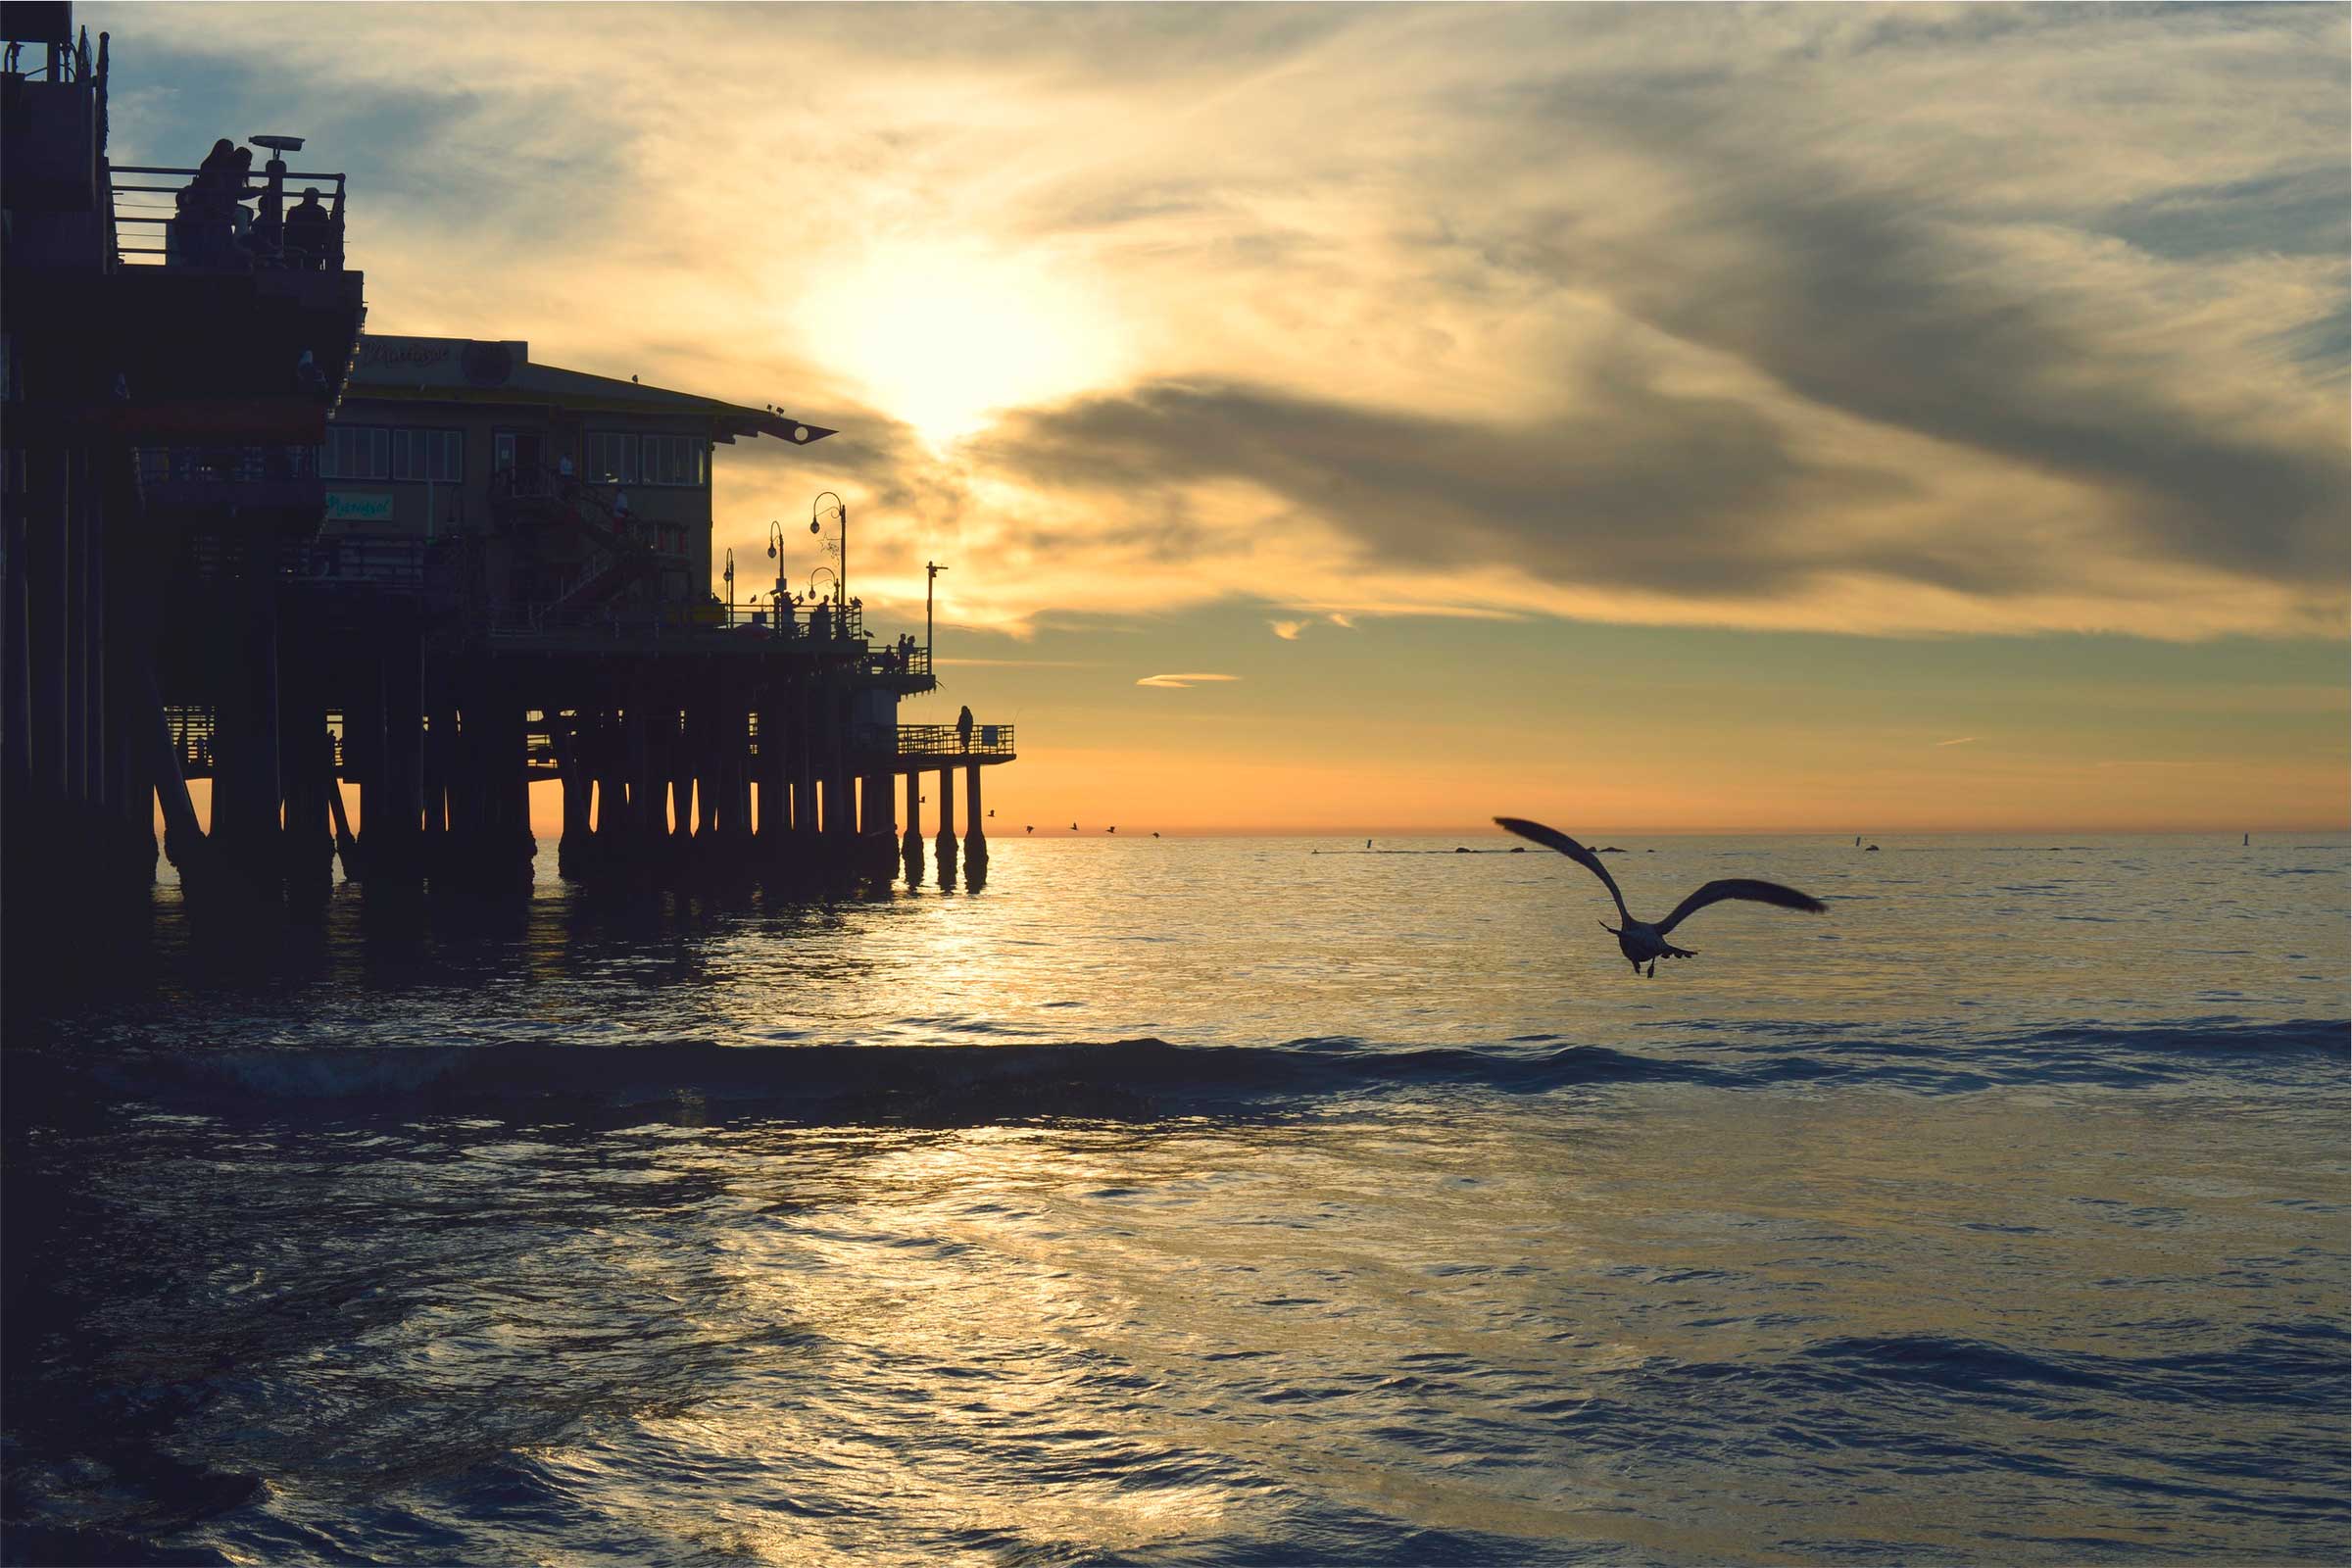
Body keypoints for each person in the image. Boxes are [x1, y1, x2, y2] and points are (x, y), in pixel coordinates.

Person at [284, 186, 332, 270]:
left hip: (295, 249)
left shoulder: (294, 211)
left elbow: (287, 232)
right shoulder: (321, 211)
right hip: (315, 249)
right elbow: (326, 232)